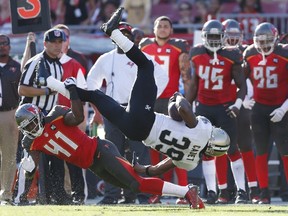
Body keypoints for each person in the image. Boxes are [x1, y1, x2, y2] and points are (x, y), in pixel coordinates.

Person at [39, 7, 230, 206]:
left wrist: (176, 100)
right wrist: (142, 169)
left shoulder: (203, 129)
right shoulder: (191, 162)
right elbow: (156, 170)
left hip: (145, 119)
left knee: (146, 66)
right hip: (137, 132)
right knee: (94, 95)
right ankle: (49, 81)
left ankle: (112, 32)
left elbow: (184, 109)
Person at [15, 81, 205, 210]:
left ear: (39, 115)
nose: (32, 127)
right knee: (136, 185)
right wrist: (27, 171)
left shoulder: (55, 114)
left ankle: (187, 191)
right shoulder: (30, 141)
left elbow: (79, 117)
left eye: (33, 122)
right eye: (27, 127)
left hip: (100, 151)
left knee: (135, 183)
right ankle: (187, 191)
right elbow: (31, 166)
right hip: (92, 164)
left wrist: (73, 91)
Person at [86, 21, 168, 205]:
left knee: (139, 154)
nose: (122, 37)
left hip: (136, 112)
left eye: (125, 34)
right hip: (114, 110)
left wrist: (148, 99)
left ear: (131, 37)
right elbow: (91, 82)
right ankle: (112, 195)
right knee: (113, 155)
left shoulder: (142, 57)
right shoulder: (106, 58)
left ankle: (144, 194)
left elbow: (163, 77)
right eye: (119, 34)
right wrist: (98, 105)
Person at [186, 19, 248, 204]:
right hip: (204, 107)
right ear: (204, 37)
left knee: (232, 149)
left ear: (223, 37)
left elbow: (242, 86)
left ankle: (242, 192)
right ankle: (213, 191)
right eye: (210, 36)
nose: (213, 40)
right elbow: (194, 85)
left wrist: (237, 104)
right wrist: (187, 106)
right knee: (207, 151)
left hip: (225, 108)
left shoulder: (232, 55)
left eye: (216, 36)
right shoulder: (196, 53)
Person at [139, 15, 191, 204]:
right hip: (150, 99)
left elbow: (186, 77)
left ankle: (184, 190)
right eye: (159, 26)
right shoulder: (144, 45)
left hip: (170, 100)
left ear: (171, 30)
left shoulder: (179, 47)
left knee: (176, 146)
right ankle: (157, 190)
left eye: (166, 26)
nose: (162, 29)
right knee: (153, 146)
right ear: (153, 29)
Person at [17, 28, 69, 205]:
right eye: (53, 43)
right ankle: (20, 196)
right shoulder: (36, 62)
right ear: (45, 44)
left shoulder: (59, 66)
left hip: (48, 117)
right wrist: (46, 90)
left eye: (59, 42)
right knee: (30, 158)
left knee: (55, 157)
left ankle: (55, 196)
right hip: (31, 118)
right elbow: (22, 89)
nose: (56, 46)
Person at [243, 22, 288, 204]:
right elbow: (241, 78)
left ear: (276, 39)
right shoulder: (250, 53)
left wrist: (284, 108)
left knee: (286, 153)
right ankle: (263, 193)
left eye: (267, 40)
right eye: (260, 41)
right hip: (259, 109)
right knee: (260, 152)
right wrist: (246, 97)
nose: (263, 44)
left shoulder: (284, 54)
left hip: (281, 108)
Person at [222, 18, 259, 203]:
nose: (232, 38)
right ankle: (223, 191)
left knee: (244, 147)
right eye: (229, 34)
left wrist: (246, 99)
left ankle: (252, 189)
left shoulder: (247, 52)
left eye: (236, 34)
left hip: (242, 105)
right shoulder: (215, 51)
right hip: (223, 104)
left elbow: (252, 79)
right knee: (222, 148)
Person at [54, 23, 88, 205]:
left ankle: (78, 194)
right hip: (50, 117)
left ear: (68, 41)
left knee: (73, 156)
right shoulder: (42, 62)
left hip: (70, 116)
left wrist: (81, 116)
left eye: (62, 39)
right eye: (55, 40)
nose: (59, 44)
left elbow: (84, 92)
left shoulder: (75, 63)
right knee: (54, 157)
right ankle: (59, 193)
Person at [0, 34, 21, 205]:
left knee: (9, 156)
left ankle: (6, 194)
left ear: (10, 46)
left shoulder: (16, 67)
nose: (2, 46)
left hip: (9, 113)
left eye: (5, 43)